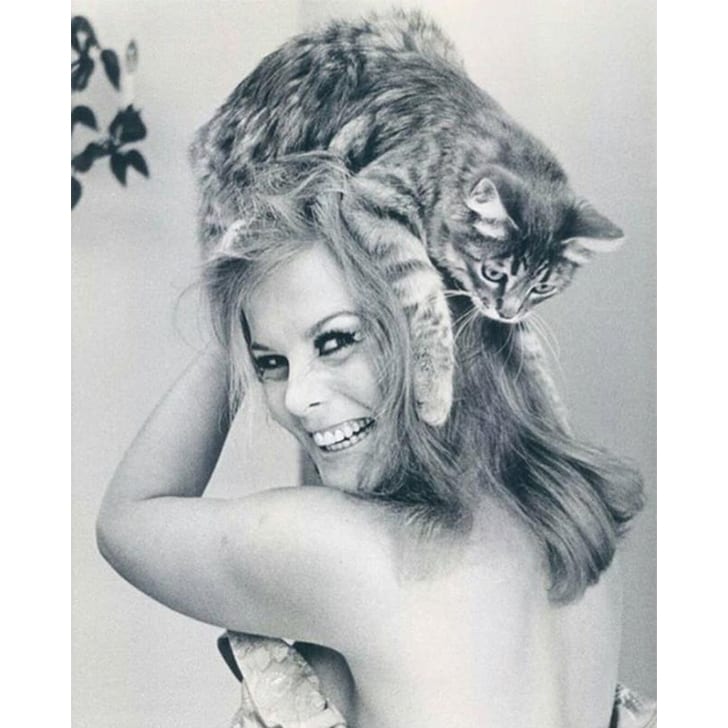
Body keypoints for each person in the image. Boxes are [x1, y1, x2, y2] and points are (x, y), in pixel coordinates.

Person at [97, 154, 654, 728]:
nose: (297, 398)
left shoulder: (347, 550)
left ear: (433, 325)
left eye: (336, 341)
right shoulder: (577, 527)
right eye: (269, 363)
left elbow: (126, 520)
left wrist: (228, 326)